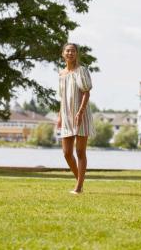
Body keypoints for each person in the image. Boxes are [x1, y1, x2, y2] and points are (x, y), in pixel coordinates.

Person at [57, 42, 94, 194]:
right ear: (63, 54)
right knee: (66, 153)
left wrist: (80, 112)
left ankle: (78, 187)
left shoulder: (82, 71)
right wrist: (59, 116)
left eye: (73, 51)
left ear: (76, 54)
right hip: (66, 116)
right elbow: (62, 97)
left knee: (80, 152)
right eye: (67, 51)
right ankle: (80, 180)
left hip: (81, 115)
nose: (70, 53)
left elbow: (86, 92)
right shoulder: (61, 74)